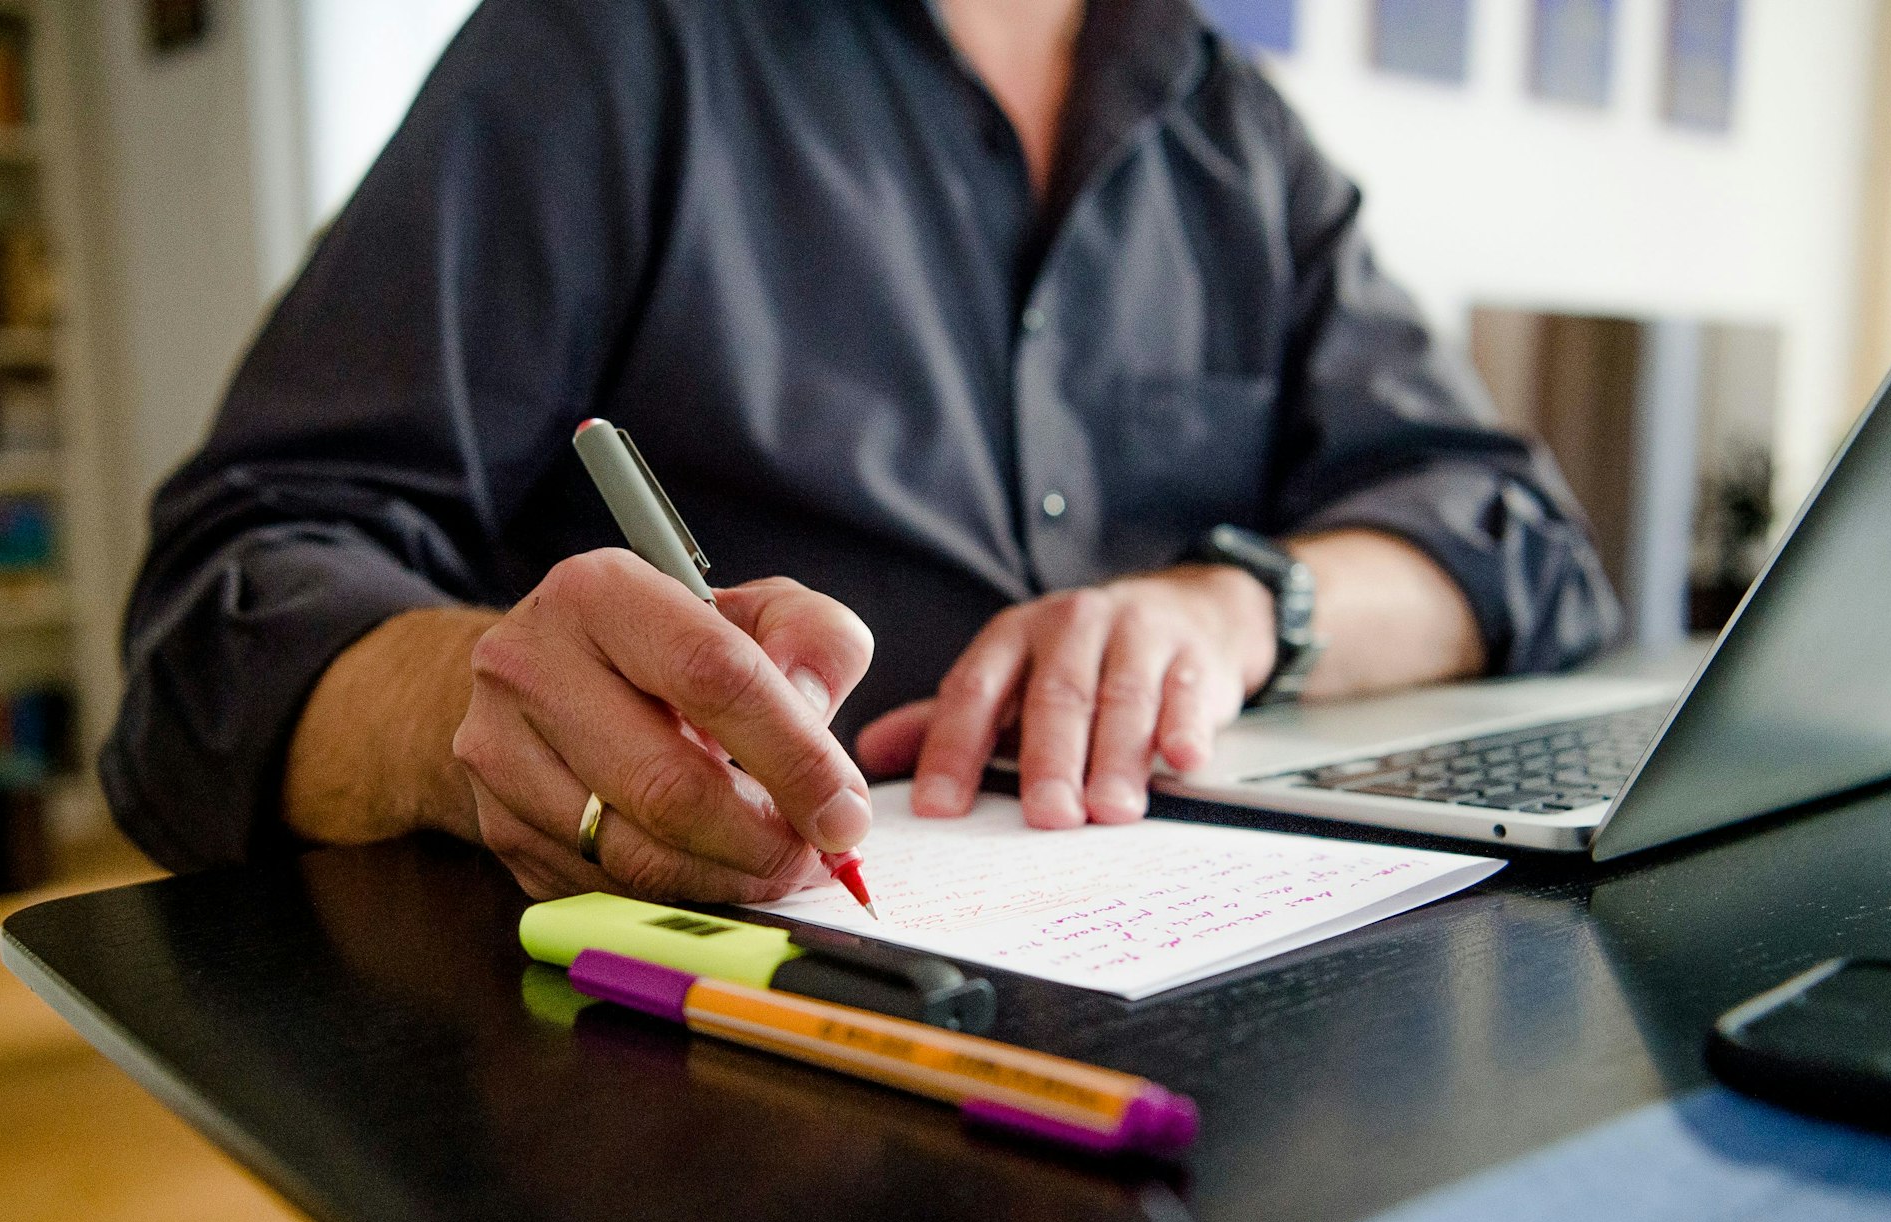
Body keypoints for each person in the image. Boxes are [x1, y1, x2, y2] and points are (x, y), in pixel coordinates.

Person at [101, 0, 1617, 904]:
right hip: (722, 1072)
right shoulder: (611, 45)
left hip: (1221, 997)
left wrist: (1234, 613)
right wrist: (472, 705)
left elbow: (1513, 534)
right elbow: (222, 608)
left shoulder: (1241, 136)